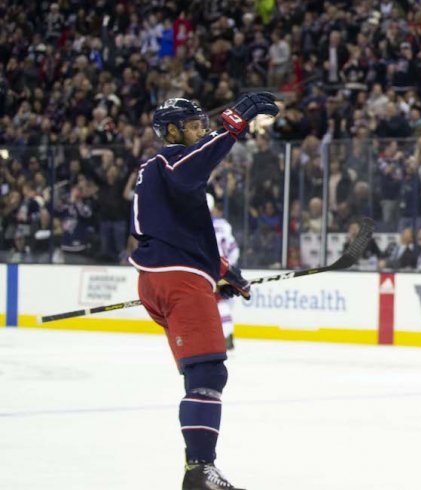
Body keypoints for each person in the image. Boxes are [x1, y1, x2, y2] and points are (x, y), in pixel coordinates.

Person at [130, 94, 278, 490]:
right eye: (194, 125)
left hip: (162, 277)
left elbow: (176, 233)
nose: (200, 131)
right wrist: (234, 121)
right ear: (173, 131)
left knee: (199, 374)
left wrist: (224, 271)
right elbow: (192, 169)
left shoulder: (155, 172)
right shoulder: (171, 161)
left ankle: (197, 468)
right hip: (179, 280)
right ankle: (199, 470)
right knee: (208, 372)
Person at [208, 193, 240, 351]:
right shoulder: (224, 224)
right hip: (224, 268)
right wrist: (229, 269)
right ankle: (227, 335)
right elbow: (234, 251)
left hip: (207, 270)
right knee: (224, 303)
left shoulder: (193, 225)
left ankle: (222, 336)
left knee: (212, 303)